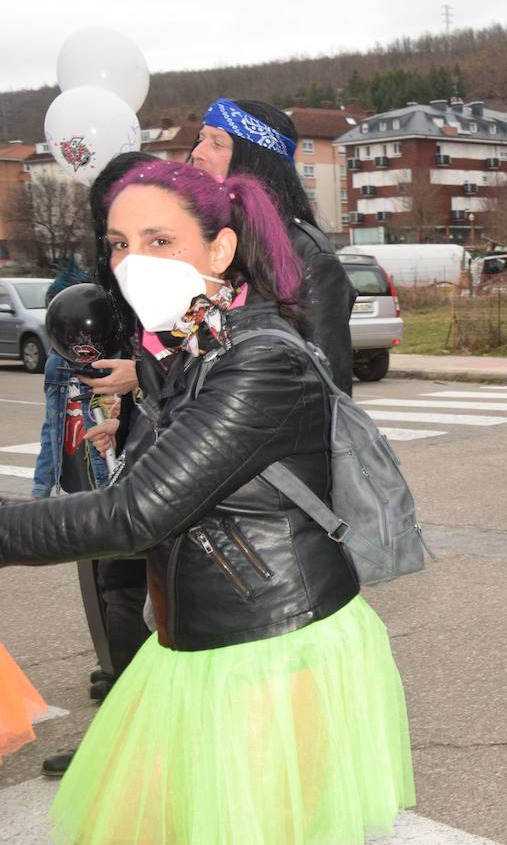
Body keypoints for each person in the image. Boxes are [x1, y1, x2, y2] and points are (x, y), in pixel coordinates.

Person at [0, 160, 414, 843]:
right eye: (118, 244)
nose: (133, 263)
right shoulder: (197, 335)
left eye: (160, 241)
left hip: (266, 644)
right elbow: (181, 428)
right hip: (193, 631)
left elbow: (134, 514)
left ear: (220, 249)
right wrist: (141, 385)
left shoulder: (262, 360)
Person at [31, 264, 150, 778]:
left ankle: (131, 732)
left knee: (130, 591)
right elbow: (55, 422)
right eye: (119, 242)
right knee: (111, 589)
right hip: (109, 482)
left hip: (153, 488)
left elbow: (201, 383)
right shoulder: (66, 360)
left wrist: (140, 378)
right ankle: (123, 716)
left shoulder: (166, 325)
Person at [189, 97, 357, 393]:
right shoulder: (198, 243)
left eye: (217, 144)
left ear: (254, 161)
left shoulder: (306, 253)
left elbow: (328, 382)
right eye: (200, 139)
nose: (198, 153)